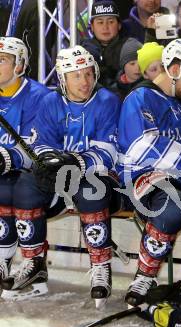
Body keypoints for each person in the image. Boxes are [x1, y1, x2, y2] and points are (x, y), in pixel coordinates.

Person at [2, 45, 121, 310]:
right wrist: (48, 161)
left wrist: (75, 160)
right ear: (63, 78)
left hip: (95, 173)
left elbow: (110, 151)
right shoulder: (50, 102)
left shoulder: (107, 101)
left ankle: (101, 266)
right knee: (25, 188)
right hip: (61, 176)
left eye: (88, 74)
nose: (84, 81)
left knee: (93, 192)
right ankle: (35, 263)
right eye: (76, 75)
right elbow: (40, 144)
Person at [117, 38, 181, 308]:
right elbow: (140, 146)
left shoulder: (177, 108)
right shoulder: (140, 97)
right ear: (175, 68)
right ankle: (144, 276)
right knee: (176, 205)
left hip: (172, 178)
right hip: (140, 177)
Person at [0, 37, 50, 293]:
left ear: (19, 65)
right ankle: (2, 259)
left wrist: (7, 157)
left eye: (2, 60)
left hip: (37, 174)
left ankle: (34, 264)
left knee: (16, 189)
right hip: (5, 171)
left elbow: (39, 148)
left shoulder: (39, 97)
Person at [81, 0, 130, 89]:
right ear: (92, 27)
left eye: (111, 22)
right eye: (100, 22)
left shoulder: (129, 47)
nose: (105, 27)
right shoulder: (84, 50)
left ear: (119, 25)